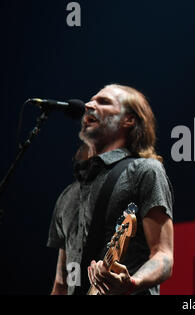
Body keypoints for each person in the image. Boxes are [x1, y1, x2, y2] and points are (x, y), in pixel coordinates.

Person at [47, 84, 174, 295]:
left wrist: (132, 282)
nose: (88, 105)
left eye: (103, 102)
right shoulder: (68, 196)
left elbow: (163, 254)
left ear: (130, 120)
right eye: (91, 100)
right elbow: (63, 281)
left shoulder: (144, 171)